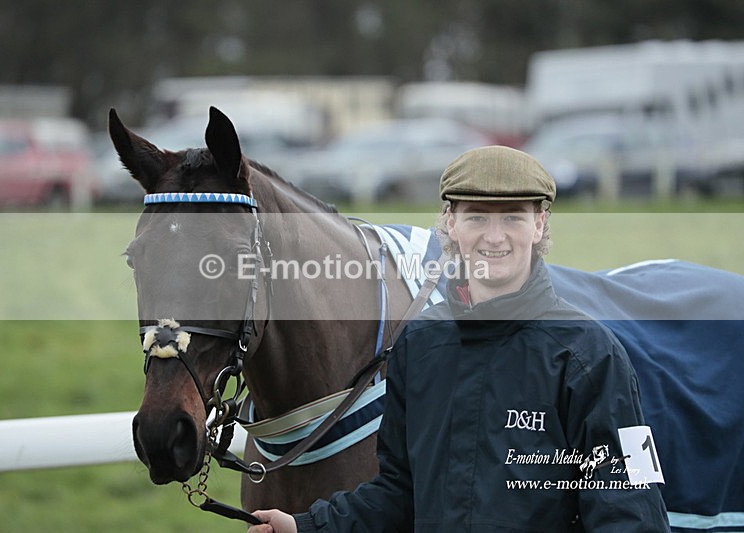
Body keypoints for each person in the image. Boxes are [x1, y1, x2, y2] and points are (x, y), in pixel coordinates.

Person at [249, 146, 670, 532]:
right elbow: (399, 495)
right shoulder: (419, 345)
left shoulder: (590, 356)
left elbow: (632, 516)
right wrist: (305, 527)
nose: (494, 236)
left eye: (512, 216)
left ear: (539, 224)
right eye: (477, 216)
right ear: (450, 223)